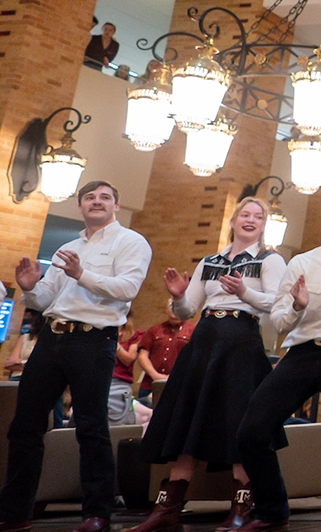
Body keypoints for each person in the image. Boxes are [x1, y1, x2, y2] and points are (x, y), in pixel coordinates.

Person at [0, 181, 152, 532]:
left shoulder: (130, 242)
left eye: (104, 198)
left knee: (90, 426)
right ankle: (15, 511)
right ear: (80, 206)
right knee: (25, 425)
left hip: (93, 339)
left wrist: (82, 274)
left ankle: (97, 514)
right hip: (52, 337)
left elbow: (127, 289)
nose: (97, 202)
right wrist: (29, 288)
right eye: (89, 198)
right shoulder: (68, 247)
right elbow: (45, 300)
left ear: (116, 205)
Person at [130, 196, 286, 532]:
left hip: (241, 343)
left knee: (238, 422)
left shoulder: (269, 259)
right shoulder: (211, 261)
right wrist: (177, 297)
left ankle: (241, 507)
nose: (250, 220)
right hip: (204, 342)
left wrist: (244, 292)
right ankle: (168, 507)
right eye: (245, 214)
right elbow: (189, 310)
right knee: (188, 420)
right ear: (233, 220)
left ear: (263, 225)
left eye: (258, 216)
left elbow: (277, 302)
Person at [232, 193, 321, 532]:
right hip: (303, 353)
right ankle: (272, 511)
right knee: (251, 432)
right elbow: (279, 322)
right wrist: (297, 306)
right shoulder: (304, 263)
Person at [133, 313, 193, 396]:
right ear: (166, 310)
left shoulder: (193, 331)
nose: (175, 312)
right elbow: (143, 356)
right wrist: (155, 375)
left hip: (179, 385)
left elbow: (197, 358)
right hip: (150, 384)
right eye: (172, 307)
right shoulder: (154, 330)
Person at [0, 312, 39, 381]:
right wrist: (28, 364)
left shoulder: (52, 342)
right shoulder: (24, 338)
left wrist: (20, 362)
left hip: (37, 379)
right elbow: (9, 364)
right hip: (17, 378)